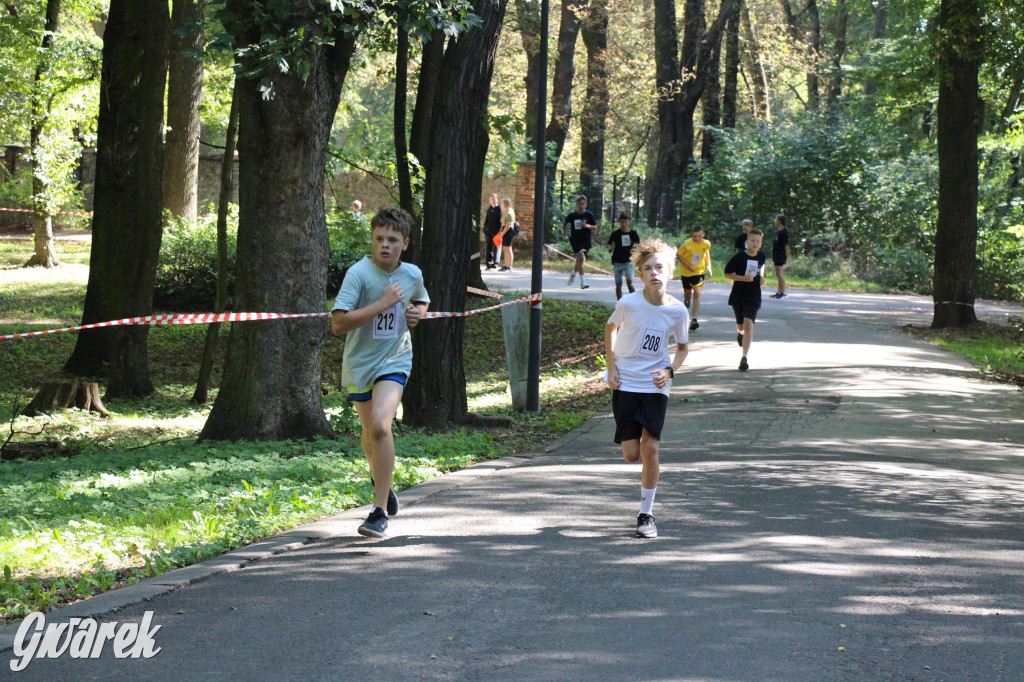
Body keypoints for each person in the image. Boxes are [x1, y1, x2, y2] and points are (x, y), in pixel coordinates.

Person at [331, 207, 430, 538]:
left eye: (392, 240)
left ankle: (377, 512)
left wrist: (417, 314)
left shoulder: (412, 273)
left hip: (395, 359)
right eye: (378, 239)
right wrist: (383, 303)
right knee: (367, 432)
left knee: (380, 426)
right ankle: (382, 482)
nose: (384, 245)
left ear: (405, 243)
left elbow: (420, 302)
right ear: (371, 240)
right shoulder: (358, 274)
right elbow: (338, 323)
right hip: (361, 363)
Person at [605, 238, 690, 539]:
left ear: (669, 273)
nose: (654, 273)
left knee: (651, 448)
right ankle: (643, 487)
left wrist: (669, 371)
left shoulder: (678, 311)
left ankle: (646, 514)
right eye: (648, 268)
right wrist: (612, 367)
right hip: (626, 380)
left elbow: (681, 349)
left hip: (655, 383)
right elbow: (610, 328)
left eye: (660, 268)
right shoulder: (628, 304)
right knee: (631, 454)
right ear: (639, 274)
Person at [723, 228, 766, 372]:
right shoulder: (740, 257)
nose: (755, 243)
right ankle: (740, 334)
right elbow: (727, 273)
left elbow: (761, 266)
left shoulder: (762, 256)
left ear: (761, 244)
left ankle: (744, 357)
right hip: (738, 296)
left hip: (754, 296)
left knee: (749, 324)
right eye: (752, 240)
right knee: (741, 326)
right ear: (747, 242)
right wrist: (743, 278)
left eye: (758, 241)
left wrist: (761, 277)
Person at [675, 225, 713, 331]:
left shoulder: (706, 243)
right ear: (692, 235)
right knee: (688, 294)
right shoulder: (687, 244)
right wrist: (687, 265)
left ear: (703, 235)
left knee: (697, 293)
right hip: (686, 273)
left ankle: (694, 319)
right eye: (695, 236)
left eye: (699, 236)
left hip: (699, 272)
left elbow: (706, 253)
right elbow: (679, 255)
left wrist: (709, 265)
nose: (697, 238)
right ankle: (687, 298)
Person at [562, 195, 599, 289]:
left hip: (586, 241)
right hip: (575, 240)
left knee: (579, 261)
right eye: (579, 204)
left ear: (586, 204)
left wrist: (586, 226)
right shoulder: (573, 215)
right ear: (576, 205)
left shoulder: (589, 215)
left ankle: (573, 275)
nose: (581, 206)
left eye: (583, 204)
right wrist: (565, 235)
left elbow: (595, 227)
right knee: (581, 259)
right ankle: (583, 282)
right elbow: (565, 222)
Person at [607, 212, 641, 300]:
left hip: (629, 261)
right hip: (617, 261)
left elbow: (639, 245)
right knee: (618, 284)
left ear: (628, 222)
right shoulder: (615, 234)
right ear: (619, 222)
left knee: (629, 280)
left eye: (626, 222)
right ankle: (619, 302)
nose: (624, 224)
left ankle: (633, 299)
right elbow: (609, 248)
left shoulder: (633, 233)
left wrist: (637, 254)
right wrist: (612, 247)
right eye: (622, 222)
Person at [770, 213, 790, 299]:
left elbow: (786, 245)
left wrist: (786, 256)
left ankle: (783, 292)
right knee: (778, 274)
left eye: (776, 219)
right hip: (776, 254)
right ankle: (779, 291)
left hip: (780, 255)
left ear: (780, 221)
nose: (775, 221)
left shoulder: (784, 232)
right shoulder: (777, 232)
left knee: (780, 273)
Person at [482, 193, 502, 270]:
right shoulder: (490, 209)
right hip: (489, 231)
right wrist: (484, 230)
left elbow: (501, 222)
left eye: (494, 199)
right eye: (492, 199)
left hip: (497, 232)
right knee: (488, 248)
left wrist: (500, 232)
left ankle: (495, 263)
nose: (493, 201)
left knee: (497, 248)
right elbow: (486, 220)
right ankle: (488, 264)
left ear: (497, 199)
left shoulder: (499, 209)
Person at [498, 197, 516, 271]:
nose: (502, 204)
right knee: (506, 249)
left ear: (505, 204)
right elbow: (502, 223)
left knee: (508, 249)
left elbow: (508, 225)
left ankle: (509, 266)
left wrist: (502, 234)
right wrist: (500, 232)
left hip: (508, 231)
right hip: (504, 230)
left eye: (502, 203)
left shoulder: (509, 212)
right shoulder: (505, 211)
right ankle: (506, 265)